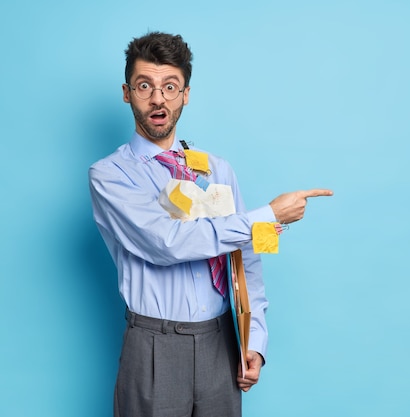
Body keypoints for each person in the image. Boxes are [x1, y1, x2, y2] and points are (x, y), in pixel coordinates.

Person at [88, 31, 332, 417]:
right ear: (126, 92)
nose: (158, 99)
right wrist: (268, 214)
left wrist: (254, 339)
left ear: (185, 94)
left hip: (222, 340)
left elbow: (245, 255)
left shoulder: (216, 168)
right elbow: (167, 243)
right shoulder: (111, 175)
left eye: (170, 87)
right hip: (155, 344)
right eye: (144, 86)